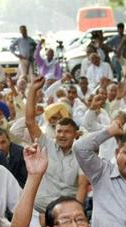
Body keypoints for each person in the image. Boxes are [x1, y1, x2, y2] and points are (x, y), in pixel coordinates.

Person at [25, 77, 87, 213]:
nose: (62, 135)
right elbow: (30, 121)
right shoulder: (46, 145)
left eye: (67, 132)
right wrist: (32, 90)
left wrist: (75, 214)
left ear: (76, 134)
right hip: (39, 209)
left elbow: (82, 187)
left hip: (66, 211)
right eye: (59, 131)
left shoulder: (81, 154)